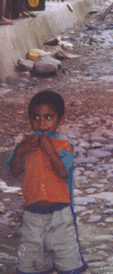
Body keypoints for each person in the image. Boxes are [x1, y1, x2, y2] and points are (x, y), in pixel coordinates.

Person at [7, 90, 88, 274]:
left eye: (48, 117)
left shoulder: (64, 146)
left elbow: (62, 172)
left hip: (60, 215)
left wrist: (48, 149)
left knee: (69, 262)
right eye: (36, 117)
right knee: (30, 264)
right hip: (32, 216)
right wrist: (19, 151)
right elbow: (15, 172)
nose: (42, 123)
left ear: (61, 120)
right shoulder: (26, 144)